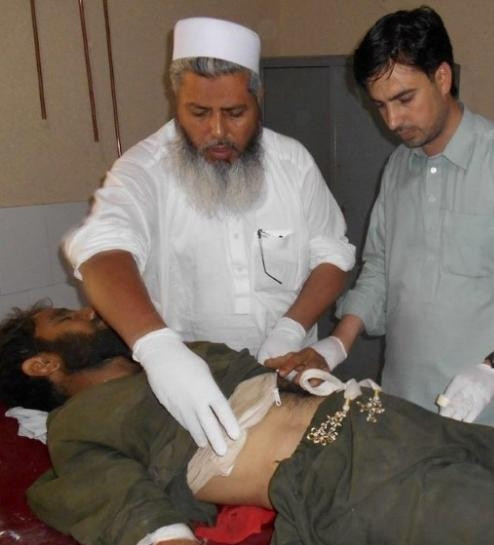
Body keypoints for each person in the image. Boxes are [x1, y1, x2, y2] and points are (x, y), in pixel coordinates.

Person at [1, 304, 494, 545]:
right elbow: (120, 506)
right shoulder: (75, 429)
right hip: (338, 471)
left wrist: (310, 367)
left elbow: (263, 372)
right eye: (65, 316)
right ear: (41, 364)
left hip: (379, 416)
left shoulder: (171, 351)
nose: (92, 311)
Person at [268, 6, 494, 437]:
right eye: (380, 106)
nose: (393, 121)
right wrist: (336, 345)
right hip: (405, 402)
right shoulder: (398, 168)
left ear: (442, 78)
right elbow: (378, 269)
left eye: (404, 99)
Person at [63, 17, 355, 455]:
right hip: (194, 398)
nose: (217, 132)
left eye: (235, 113)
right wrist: (159, 349)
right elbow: (102, 249)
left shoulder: (293, 164)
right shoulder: (143, 171)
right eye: (198, 113)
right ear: (176, 100)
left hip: (287, 380)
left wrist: (292, 328)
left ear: (259, 98)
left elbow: (332, 255)